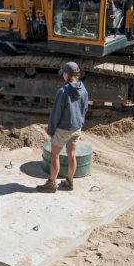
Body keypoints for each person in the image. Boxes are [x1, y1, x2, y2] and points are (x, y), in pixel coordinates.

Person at [37, 61, 89, 193]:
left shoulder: (63, 92)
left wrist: (51, 130)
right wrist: (80, 123)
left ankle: (52, 183)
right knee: (72, 154)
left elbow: (56, 113)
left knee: (55, 156)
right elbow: (85, 108)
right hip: (76, 128)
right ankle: (69, 182)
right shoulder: (83, 89)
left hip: (63, 129)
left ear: (66, 74)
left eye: (63, 74)